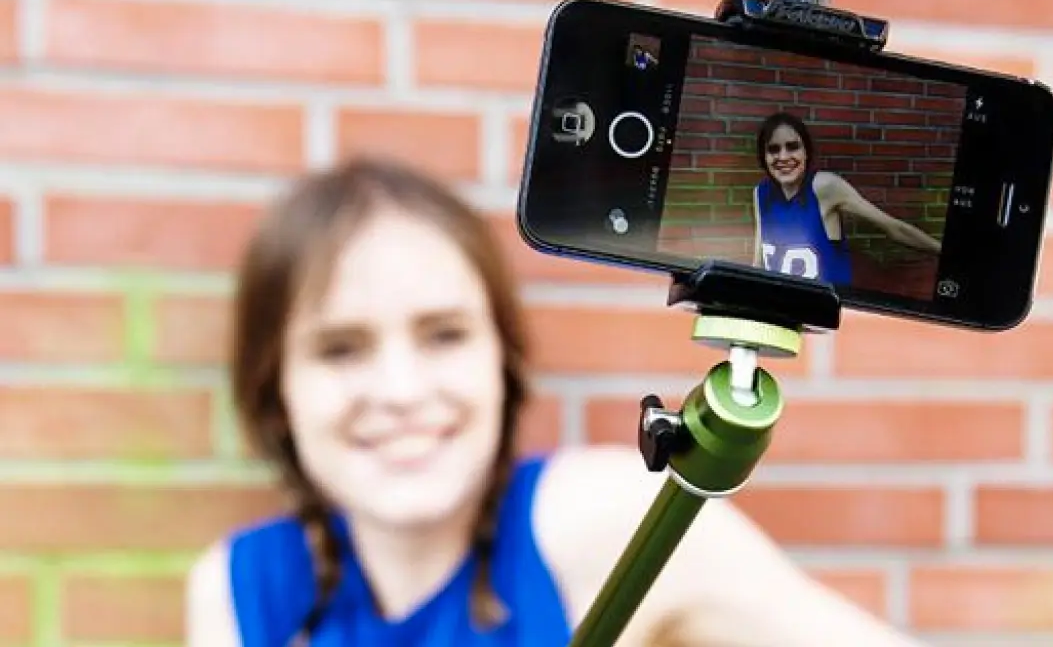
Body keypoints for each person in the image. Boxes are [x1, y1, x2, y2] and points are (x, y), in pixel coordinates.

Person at [184, 155, 924, 647]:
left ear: (500, 361)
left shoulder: (604, 520)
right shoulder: (240, 589)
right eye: (340, 348)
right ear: (275, 390)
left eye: (444, 335)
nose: (402, 391)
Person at [751, 112, 942, 285]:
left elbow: (893, 227)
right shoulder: (761, 193)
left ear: (806, 152)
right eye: (773, 149)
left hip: (826, 310)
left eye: (793, 147)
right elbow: (759, 262)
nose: (783, 157)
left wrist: (944, 252)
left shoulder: (824, 186)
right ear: (764, 157)